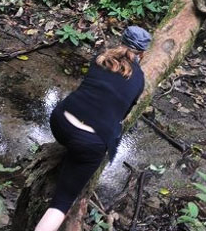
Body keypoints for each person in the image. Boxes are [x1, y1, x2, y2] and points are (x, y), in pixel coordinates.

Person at [34, 26, 152, 231]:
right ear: (142, 53)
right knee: (61, 203)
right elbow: (121, 115)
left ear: (121, 41)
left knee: (75, 144)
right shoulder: (139, 81)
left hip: (60, 122)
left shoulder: (101, 58)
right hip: (89, 143)